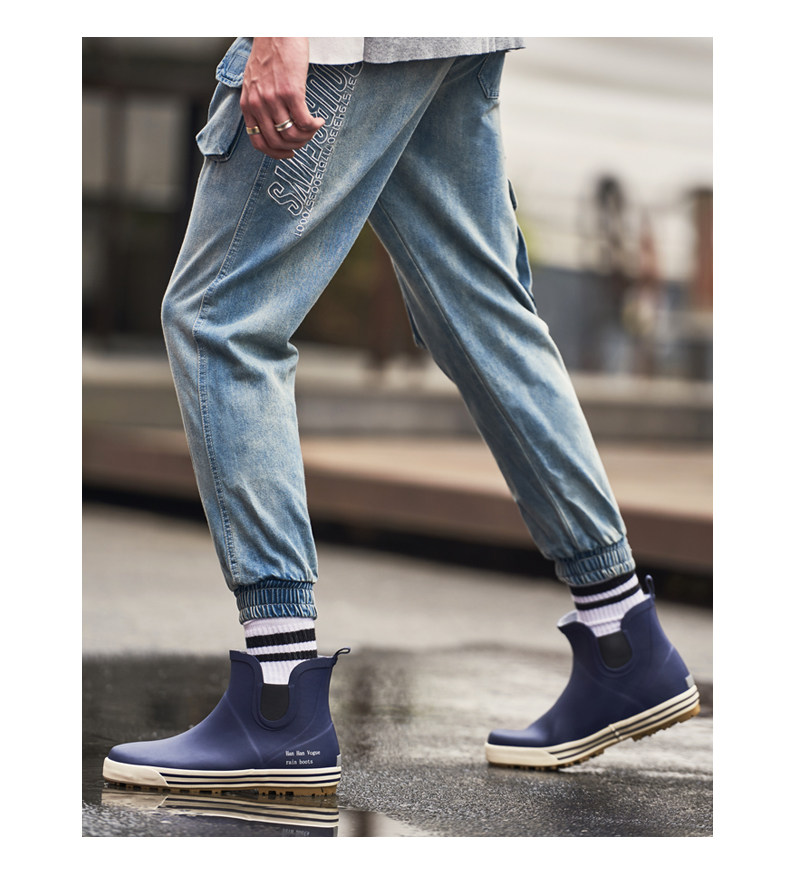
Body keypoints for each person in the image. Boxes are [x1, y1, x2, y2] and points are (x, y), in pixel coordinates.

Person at [102, 37, 699, 793]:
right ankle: (622, 635)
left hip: (352, 38)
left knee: (220, 319)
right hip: (450, 34)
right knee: (479, 314)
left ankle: (278, 697)